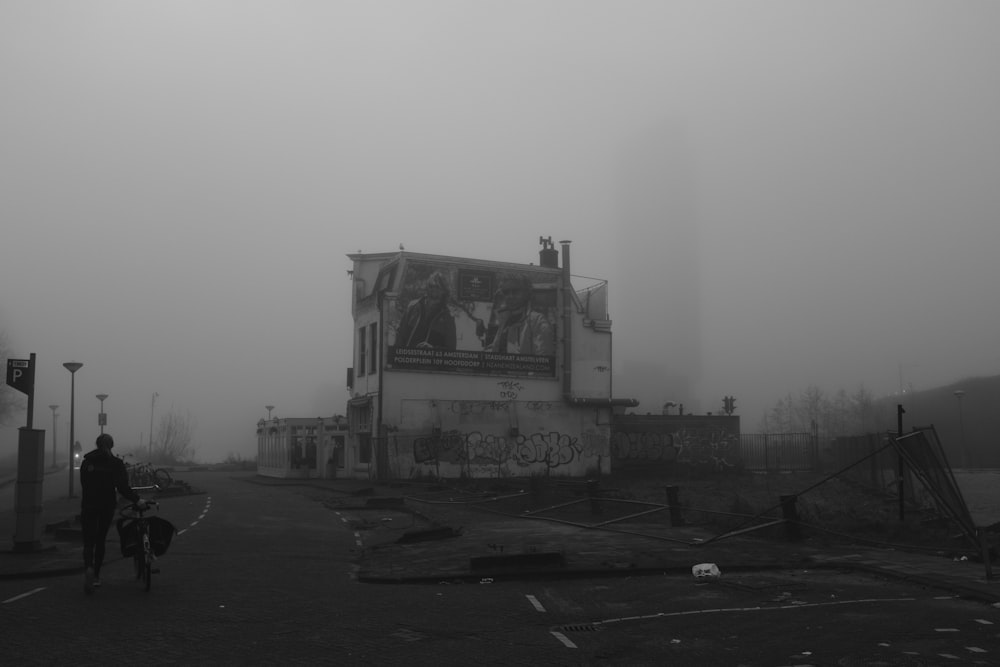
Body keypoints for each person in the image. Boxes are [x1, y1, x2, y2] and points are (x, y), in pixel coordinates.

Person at [79, 433, 142, 594]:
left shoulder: (87, 463)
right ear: (112, 445)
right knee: (100, 539)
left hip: (88, 505)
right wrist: (137, 500)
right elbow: (122, 487)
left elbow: (84, 484)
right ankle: (96, 576)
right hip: (106, 505)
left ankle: (88, 568)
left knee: (88, 541)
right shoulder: (116, 463)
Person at [486, 274, 554, 356]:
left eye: (515, 291)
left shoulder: (538, 322)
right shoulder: (504, 319)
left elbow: (543, 361)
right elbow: (499, 349)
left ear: (526, 293)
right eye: (506, 292)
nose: (510, 296)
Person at [396, 271, 457, 350]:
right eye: (431, 285)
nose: (434, 289)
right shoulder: (412, 306)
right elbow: (400, 336)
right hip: (406, 360)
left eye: (437, 286)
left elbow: (451, 349)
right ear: (427, 287)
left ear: (444, 290)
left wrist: (433, 350)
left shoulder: (448, 317)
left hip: (429, 361)